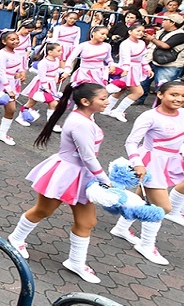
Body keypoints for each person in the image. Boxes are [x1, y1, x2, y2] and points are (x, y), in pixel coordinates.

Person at [7, 83, 111, 284]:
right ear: (85, 102)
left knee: (87, 222)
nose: (107, 102)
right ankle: (16, 238)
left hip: (84, 176)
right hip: (66, 174)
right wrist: (105, 180)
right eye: (103, 99)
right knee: (42, 211)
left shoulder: (86, 117)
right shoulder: (81, 123)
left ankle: (76, 261)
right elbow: (87, 156)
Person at [110, 80, 184, 265]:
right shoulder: (149, 116)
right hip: (150, 163)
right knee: (163, 208)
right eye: (174, 94)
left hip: (172, 161)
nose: (179, 99)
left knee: (142, 199)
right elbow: (131, 142)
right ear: (160, 95)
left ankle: (121, 228)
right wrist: (138, 164)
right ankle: (146, 245)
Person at [103, 23, 152, 121]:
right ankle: (118, 111)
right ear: (130, 32)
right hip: (129, 70)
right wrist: (125, 70)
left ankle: (106, 109)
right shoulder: (125, 43)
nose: (141, 33)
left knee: (121, 90)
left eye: (142, 31)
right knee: (138, 92)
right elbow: (125, 59)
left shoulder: (142, 43)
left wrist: (147, 68)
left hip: (136, 69)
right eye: (138, 31)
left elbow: (142, 58)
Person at [136, 15, 184, 104]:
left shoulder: (181, 35)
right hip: (153, 61)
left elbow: (165, 46)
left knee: (164, 87)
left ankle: (162, 106)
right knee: (144, 82)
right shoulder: (161, 31)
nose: (163, 21)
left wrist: (152, 38)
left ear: (172, 23)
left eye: (165, 20)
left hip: (170, 65)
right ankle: (140, 100)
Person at [20, 43, 64, 132]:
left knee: (53, 104)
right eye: (58, 50)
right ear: (50, 52)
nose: (61, 52)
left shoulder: (56, 60)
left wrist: (56, 77)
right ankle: (21, 117)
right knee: (31, 103)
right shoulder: (43, 63)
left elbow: (55, 71)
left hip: (50, 84)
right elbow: (42, 76)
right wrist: (45, 87)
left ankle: (51, 123)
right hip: (40, 85)